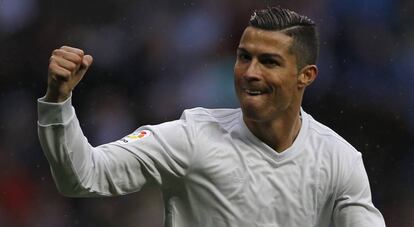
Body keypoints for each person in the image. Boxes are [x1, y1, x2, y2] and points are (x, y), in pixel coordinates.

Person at [37, 7, 386, 227]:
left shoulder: (339, 160)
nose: (249, 72)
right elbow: (82, 178)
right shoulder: (191, 138)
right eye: (243, 57)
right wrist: (58, 100)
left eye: (269, 62)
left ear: (306, 76)